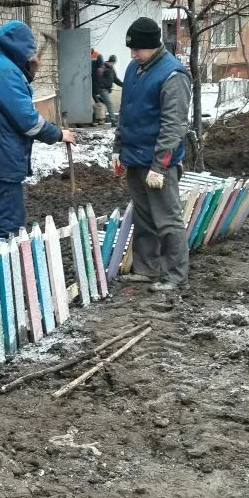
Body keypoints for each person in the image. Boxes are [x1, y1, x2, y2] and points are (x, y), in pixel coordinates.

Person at [0, 21, 76, 242]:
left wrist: (28, 72)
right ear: (19, 50)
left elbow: (5, 95)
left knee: (0, 218)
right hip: (0, 160)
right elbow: (28, 121)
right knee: (7, 230)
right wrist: (58, 134)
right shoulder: (7, 74)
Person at [111, 17, 191, 292]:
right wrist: (118, 148)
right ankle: (147, 269)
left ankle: (175, 275)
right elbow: (126, 112)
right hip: (135, 157)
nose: (132, 54)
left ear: (153, 45)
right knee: (143, 218)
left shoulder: (173, 75)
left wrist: (160, 165)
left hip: (158, 163)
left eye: (137, 49)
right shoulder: (135, 68)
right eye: (131, 49)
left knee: (167, 220)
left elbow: (174, 125)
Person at [100, 55, 123, 124]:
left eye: (113, 63)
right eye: (111, 62)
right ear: (109, 61)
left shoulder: (112, 69)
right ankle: (113, 120)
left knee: (102, 104)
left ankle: (100, 119)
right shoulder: (103, 67)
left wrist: (123, 85)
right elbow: (98, 78)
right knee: (109, 104)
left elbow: (115, 79)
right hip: (102, 89)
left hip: (108, 90)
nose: (112, 64)